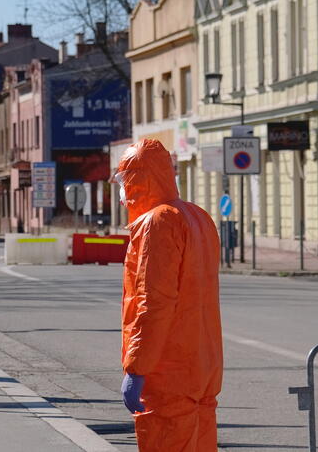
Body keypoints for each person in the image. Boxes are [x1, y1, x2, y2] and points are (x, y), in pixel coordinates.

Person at [117, 139, 223, 451]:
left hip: (168, 369)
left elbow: (154, 303)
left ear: (140, 178)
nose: (124, 191)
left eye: (126, 179)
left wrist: (137, 368)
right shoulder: (197, 216)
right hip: (203, 365)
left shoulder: (157, 223)